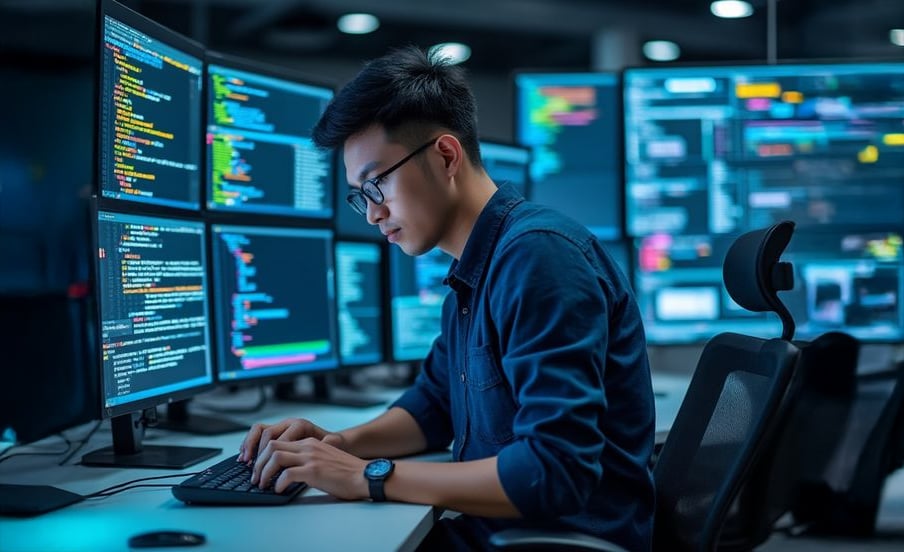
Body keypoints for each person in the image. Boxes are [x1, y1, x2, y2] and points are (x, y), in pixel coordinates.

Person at [238, 45, 656, 551]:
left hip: (551, 541)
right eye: (360, 195)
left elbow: (554, 470)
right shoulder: (474, 269)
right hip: (504, 532)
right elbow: (434, 406)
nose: (371, 214)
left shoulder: (538, 258)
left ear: (445, 156)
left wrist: (367, 475)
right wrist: (334, 445)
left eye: (377, 185)